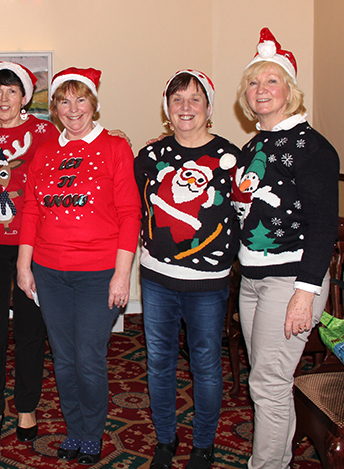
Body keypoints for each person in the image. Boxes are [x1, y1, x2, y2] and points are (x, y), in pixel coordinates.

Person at [16, 67, 141, 465]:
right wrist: (24, 265)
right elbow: (31, 209)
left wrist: (122, 275)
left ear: (94, 103)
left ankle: (93, 431)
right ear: (54, 108)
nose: (73, 109)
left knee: (88, 356)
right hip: (50, 272)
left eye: (81, 99)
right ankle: (73, 429)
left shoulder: (115, 148)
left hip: (98, 274)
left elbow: (129, 213)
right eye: (64, 101)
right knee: (64, 357)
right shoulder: (45, 150)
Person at [233, 28, 339, 469]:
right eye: (254, 82)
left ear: (291, 91)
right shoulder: (254, 144)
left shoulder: (311, 147)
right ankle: (279, 456)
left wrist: (304, 292)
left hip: (292, 280)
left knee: (269, 383)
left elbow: (323, 227)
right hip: (253, 281)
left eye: (272, 80)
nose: (261, 90)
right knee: (268, 381)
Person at [134, 69, 239, 469]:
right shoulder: (150, 156)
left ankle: (203, 444)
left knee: (206, 366)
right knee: (158, 362)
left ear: (209, 107)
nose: (186, 107)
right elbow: (132, 207)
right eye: (177, 99)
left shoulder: (232, 159)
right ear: (167, 108)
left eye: (195, 98)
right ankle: (165, 438)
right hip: (157, 278)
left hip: (208, 284)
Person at [0, 61, 58, 445]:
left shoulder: (45, 132)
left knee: (29, 327)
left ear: (24, 96)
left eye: (12, 90)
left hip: (33, 244)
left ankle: (26, 405)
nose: (4, 97)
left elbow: (73, 154)